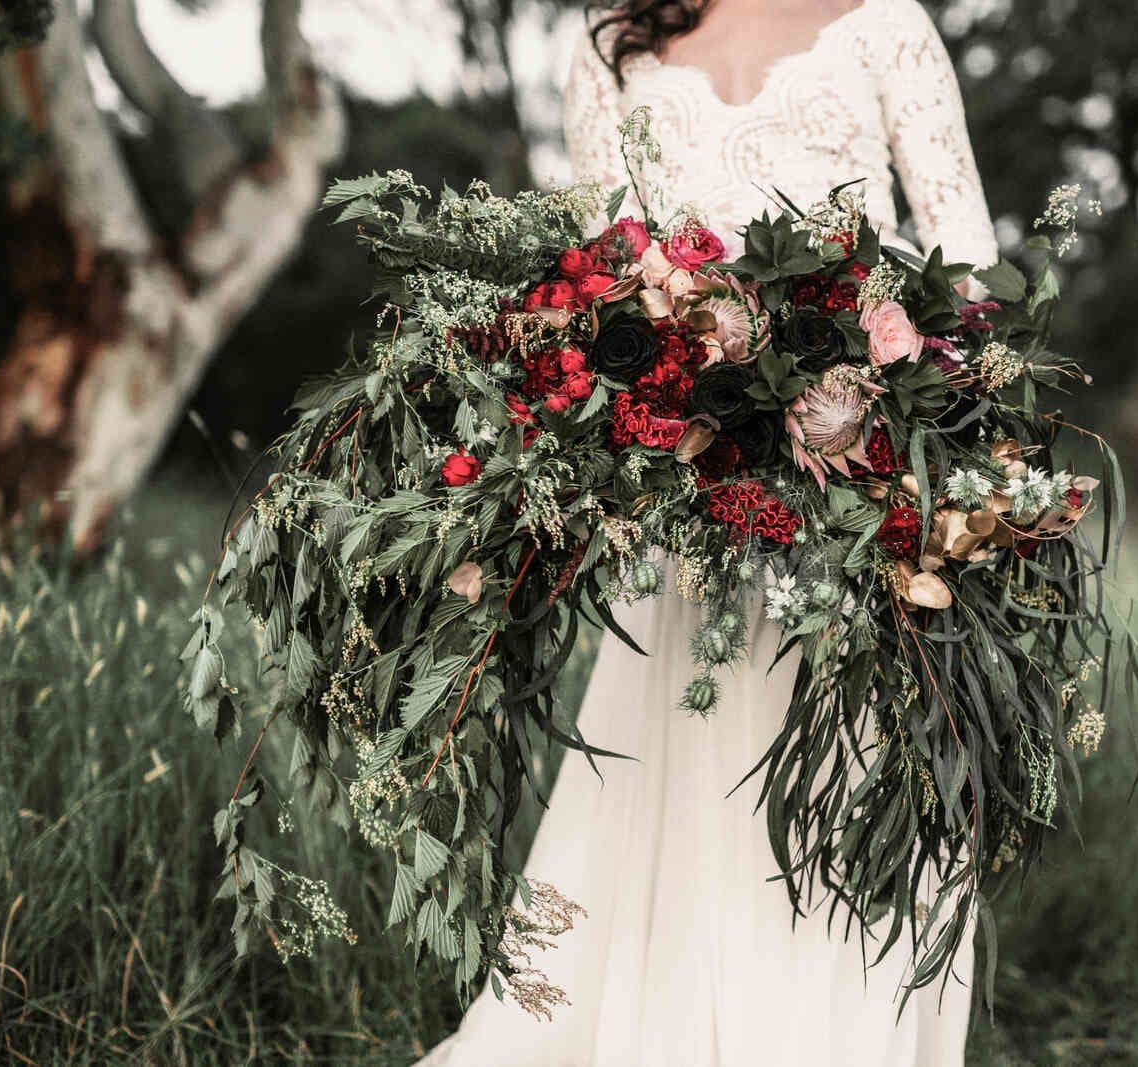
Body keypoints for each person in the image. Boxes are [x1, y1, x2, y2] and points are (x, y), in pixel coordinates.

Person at [420, 2, 997, 1063]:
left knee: (849, 764)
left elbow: (965, 253)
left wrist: (883, 367)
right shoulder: (611, 33)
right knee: (689, 760)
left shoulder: (883, 21)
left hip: (856, 484)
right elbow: (591, 263)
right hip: (688, 486)